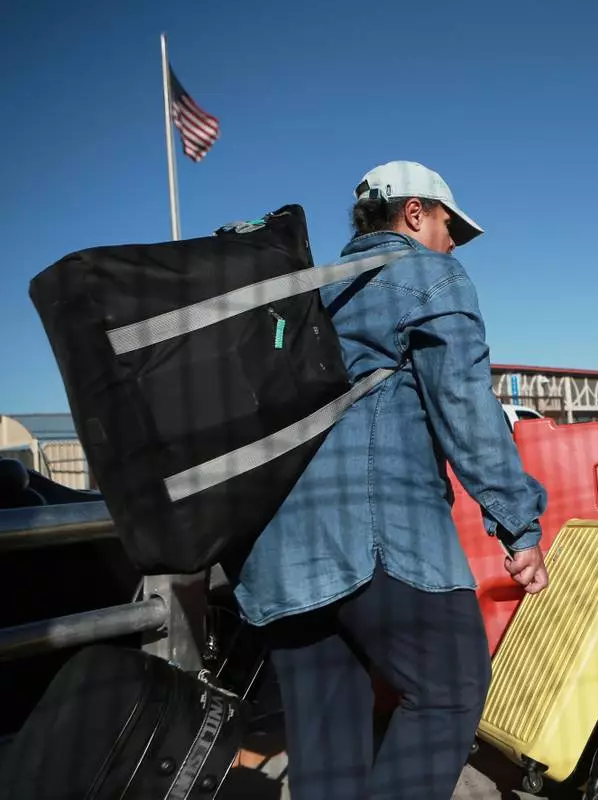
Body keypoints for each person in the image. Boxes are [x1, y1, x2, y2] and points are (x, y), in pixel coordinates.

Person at [230, 161, 550, 800]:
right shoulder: (426, 275)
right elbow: (465, 407)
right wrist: (518, 525)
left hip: (281, 555)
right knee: (450, 690)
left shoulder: (312, 291)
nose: (453, 243)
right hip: (377, 540)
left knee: (329, 751)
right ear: (414, 212)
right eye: (450, 226)